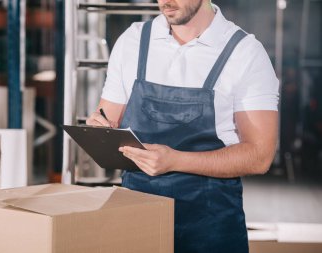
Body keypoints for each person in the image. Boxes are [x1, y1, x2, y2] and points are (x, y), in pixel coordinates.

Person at [86, 0, 279, 252]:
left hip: (210, 223)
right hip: (137, 215)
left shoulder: (245, 53)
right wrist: (100, 129)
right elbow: (107, 117)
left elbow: (259, 155)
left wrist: (174, 160)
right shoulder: (132, 41)